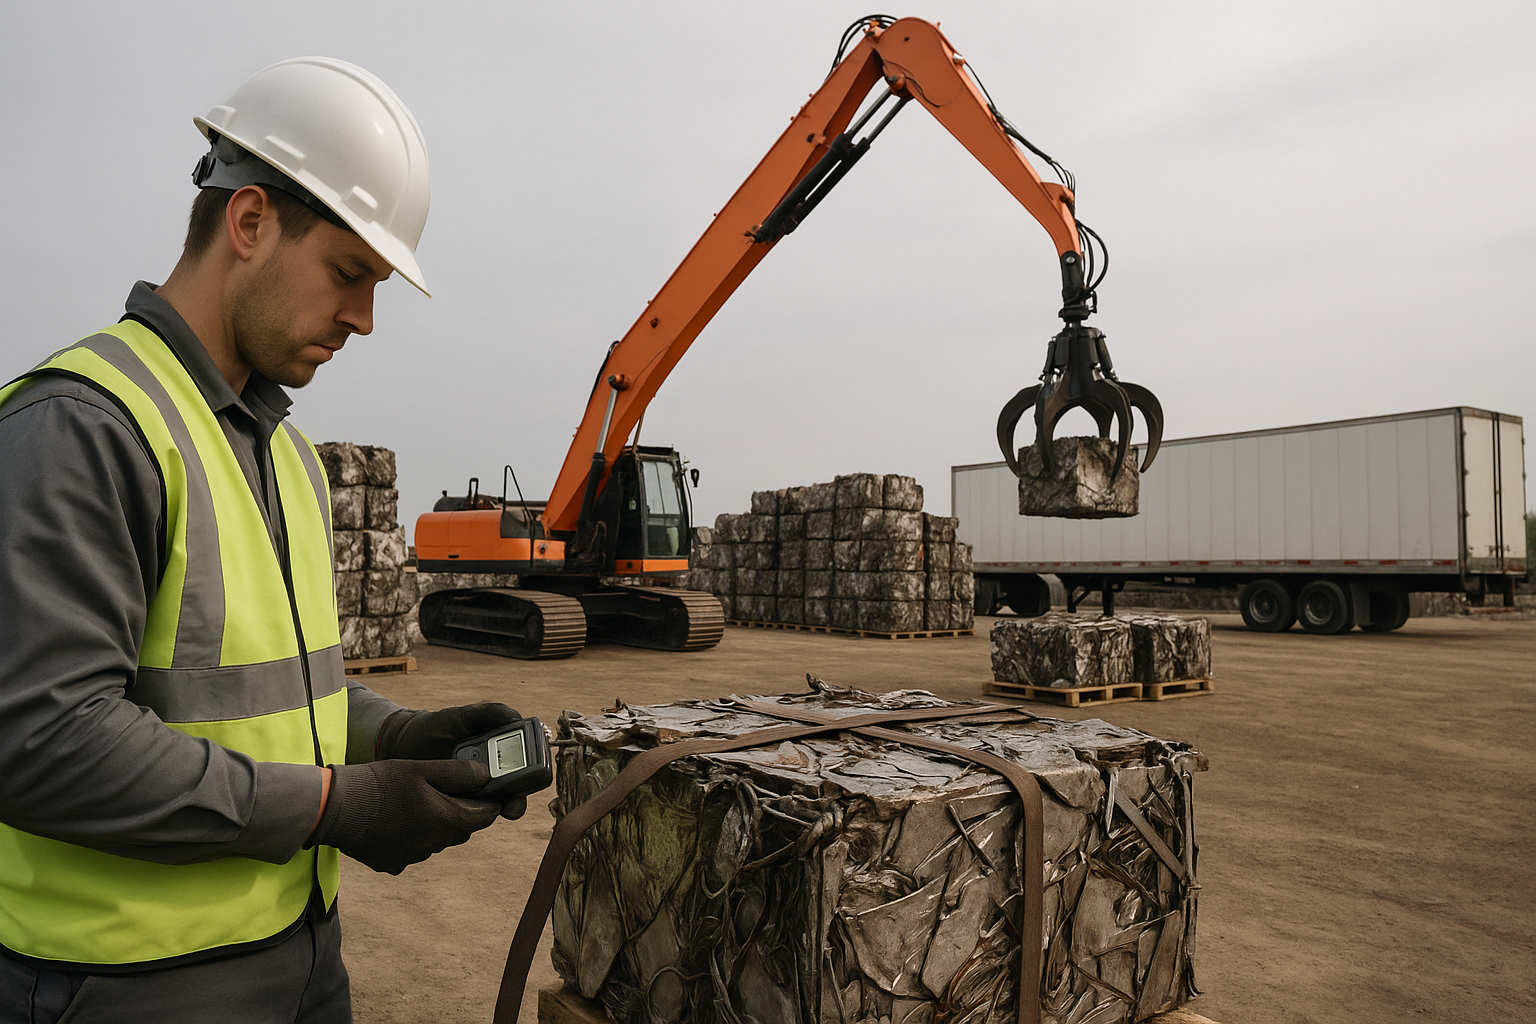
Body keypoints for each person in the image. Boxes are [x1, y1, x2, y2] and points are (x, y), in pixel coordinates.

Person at [0, 58, 522, 1023]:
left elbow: (275, 695)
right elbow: (44, 742)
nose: (365, 319)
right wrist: (335, 806)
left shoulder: (285, 455)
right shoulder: (83, 427)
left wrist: (393, 735)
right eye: (350, 274)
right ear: (249, 223)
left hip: (302, 956)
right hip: (126, 985)